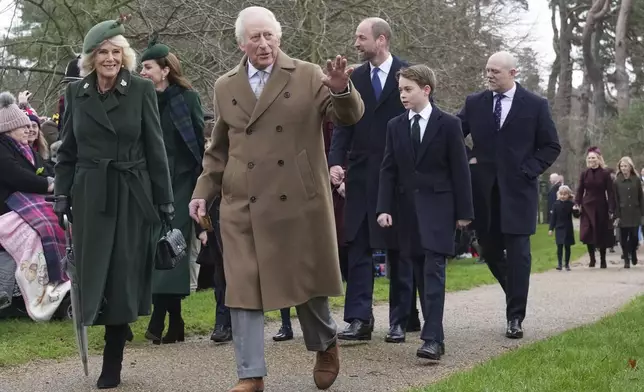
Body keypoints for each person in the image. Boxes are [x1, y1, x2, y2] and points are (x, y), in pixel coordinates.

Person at [188, 6, 364, 392]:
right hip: (241, 203)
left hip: (296, 199)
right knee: (243, 287)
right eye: (255, 37)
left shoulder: (307, 74)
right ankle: (250, 374)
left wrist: (340, 88)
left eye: (269, 35)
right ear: (241, 43)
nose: (264, 44)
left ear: (279, 38)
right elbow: (218, 149)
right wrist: (203, 191)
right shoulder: (225, 85)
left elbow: (348, 116)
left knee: (305, 286)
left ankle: (325, 343)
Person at [53, 18, 174, 389]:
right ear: (91, 58)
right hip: (89, 193)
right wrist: (61, 193)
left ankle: (113, 356)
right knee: (94, 275)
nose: (110, 58)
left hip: (131, 191)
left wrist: (164, 201)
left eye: (116, 52)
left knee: (121, 273)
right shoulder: (77, 94)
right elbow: (67, 151)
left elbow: (156, 149)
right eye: (102, 52)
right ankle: (111, 333)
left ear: (125, 56)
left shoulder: (140, 90)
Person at [328, 17, 421, 344]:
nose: (356, 43)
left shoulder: (410, 76)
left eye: (361, 37)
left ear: (381, 40)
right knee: (358, 247)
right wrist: (335, 163)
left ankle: (400, 319)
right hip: (362, 174)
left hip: (398, 176)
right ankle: (358, 319)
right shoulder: (354, 78)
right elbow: (343, 124)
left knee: (400, 250)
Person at [458, 51, 560, 339]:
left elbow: (551, 146)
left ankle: (515, 316)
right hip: (485, 193)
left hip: (519, 193)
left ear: (513, 73)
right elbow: (453, 133)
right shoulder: (475, 103)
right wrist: (469, 158)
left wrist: (528, 170)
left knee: (519, 255)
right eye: (487, 70)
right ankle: (515, 291)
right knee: (489, 251)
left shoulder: (536, 105)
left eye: (495, 72)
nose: (489, 76)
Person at [376, 65, 473, 360]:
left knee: (433, 273)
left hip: (440, 211)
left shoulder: (449, 124)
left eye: (408, 89)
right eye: (401, 90)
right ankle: (436, 337)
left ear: (426, 90)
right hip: (407, 213)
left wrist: (464, 212)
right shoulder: (395, 126)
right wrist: (384, 208)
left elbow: (460, 170)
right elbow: (388, 169)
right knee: (417, 273)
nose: (403, 95)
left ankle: (431, 339)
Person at [139, 37, 205, 345]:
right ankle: (175, 320)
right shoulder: (142, 99)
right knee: (156, 247)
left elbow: (197, 144)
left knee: (171, 245)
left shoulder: (187, 98)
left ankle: (158, 317)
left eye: (148, 67)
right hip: (150, 183)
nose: (143, 72)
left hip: (180, 183)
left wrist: (200, 188)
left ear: (165, 70)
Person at [574, 147, 614, 269]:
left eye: (594, 158)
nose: (592, 160)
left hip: (601, 205)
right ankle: (592, 258)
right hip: (587, 206)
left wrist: (611, 208)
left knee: (601, 232)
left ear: (598, 159)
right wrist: (577, 203)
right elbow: (580, 190)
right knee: (588, 232)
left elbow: (610, 192)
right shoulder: (584, 173)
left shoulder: (605, 173)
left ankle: (603, 259)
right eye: (590, 158)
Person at [613, 156, 643, 268]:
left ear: (630, 167)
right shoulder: (617, 181)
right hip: (622, 212)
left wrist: (642, 212)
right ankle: (626, 258)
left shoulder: (636, 180)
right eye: (622, 166)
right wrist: (617, 214)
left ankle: (633, 251)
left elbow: (641, 197)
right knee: (623, 238)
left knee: (635, 236)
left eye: (626, 166)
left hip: (635, 212)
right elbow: (615, 199)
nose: (623, 168)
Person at [548, 185, 575, 271]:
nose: (563, 196)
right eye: (561, 194)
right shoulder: (555, 205)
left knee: (567, 247)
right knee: (559, 246)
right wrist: (551, 229)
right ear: (558, 194)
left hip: (568, 228)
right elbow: (553, 218)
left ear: (568, 195)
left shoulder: (571, 204)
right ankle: (559, 263)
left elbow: (576, 215)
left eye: (565, 194)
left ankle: (566, 264)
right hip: (559, 228)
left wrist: (576, 210)